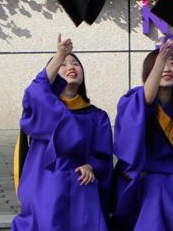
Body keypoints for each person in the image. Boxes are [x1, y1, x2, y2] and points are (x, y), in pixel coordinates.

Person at [12, 34, 112, 231]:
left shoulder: (97, 116)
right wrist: (59, 55)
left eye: (75, 63)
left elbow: (103, 155)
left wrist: (91, 167)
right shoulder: (45, 109)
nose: (70, 67)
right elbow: (35, 92)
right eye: (63, 65)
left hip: (81, 186)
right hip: (46, 184)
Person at [111, 40, 173, 230]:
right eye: (160, 64)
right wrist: (160, 58)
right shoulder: (133, 101)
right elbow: (131, 132)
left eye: (172, 64)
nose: (167, 68)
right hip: (140, 182)